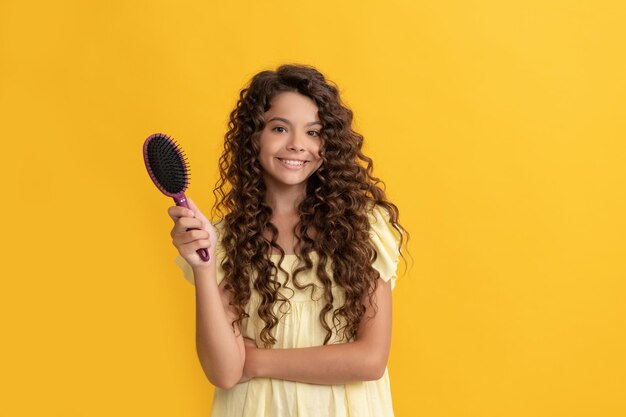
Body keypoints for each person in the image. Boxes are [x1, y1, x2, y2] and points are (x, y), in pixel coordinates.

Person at [168, 63, 409, 417]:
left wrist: (257, 362)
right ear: (253, 137)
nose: (297, 145)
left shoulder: (362, 229)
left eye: (313, 132)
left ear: (329, 144)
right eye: (279, 128)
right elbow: (223, 371)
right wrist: (203, 267)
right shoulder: (227, 241)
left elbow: (370, 360)